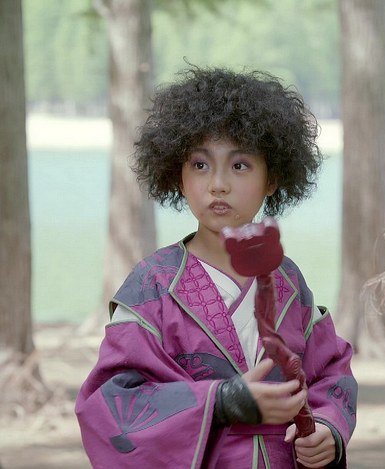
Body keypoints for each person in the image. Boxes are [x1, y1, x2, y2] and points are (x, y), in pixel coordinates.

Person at [76, 67, 357, 468]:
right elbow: (112, 403)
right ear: (177, 175)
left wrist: (328, 428)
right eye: (200, 165)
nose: (218, 184)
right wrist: (220, 401)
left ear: (272, 178)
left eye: (240, 165)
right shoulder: (153, 284)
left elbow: (330, 371)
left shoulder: (288, 280)